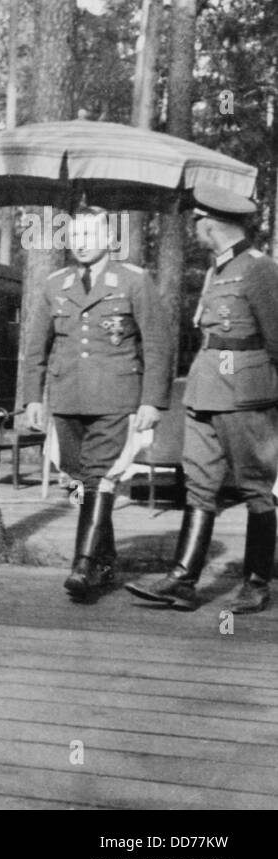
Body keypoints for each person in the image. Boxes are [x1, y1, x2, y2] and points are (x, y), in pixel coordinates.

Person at [126, 185, 278, 614]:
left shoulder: (260, 269)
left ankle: (255, 582)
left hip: (246, 396)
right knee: (199, 482)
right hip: (205, 390)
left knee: (255, 488)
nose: (194, 228)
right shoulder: (217, 269)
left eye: (196, 221)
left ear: (209, 223)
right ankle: (183, 580)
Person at [20, 206, 171, 601]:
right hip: (67, 397)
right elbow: (36, 346)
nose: (81, 243)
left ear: (109, 239)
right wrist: (32, 397)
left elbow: (157, 345)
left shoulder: (133, 280)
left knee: (100, 477)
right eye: (75, 236)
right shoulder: (56, 284)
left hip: (116, 398)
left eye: (89, 235)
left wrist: (153, 401)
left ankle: (83, 565)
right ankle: (104, 562)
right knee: (81, 477)